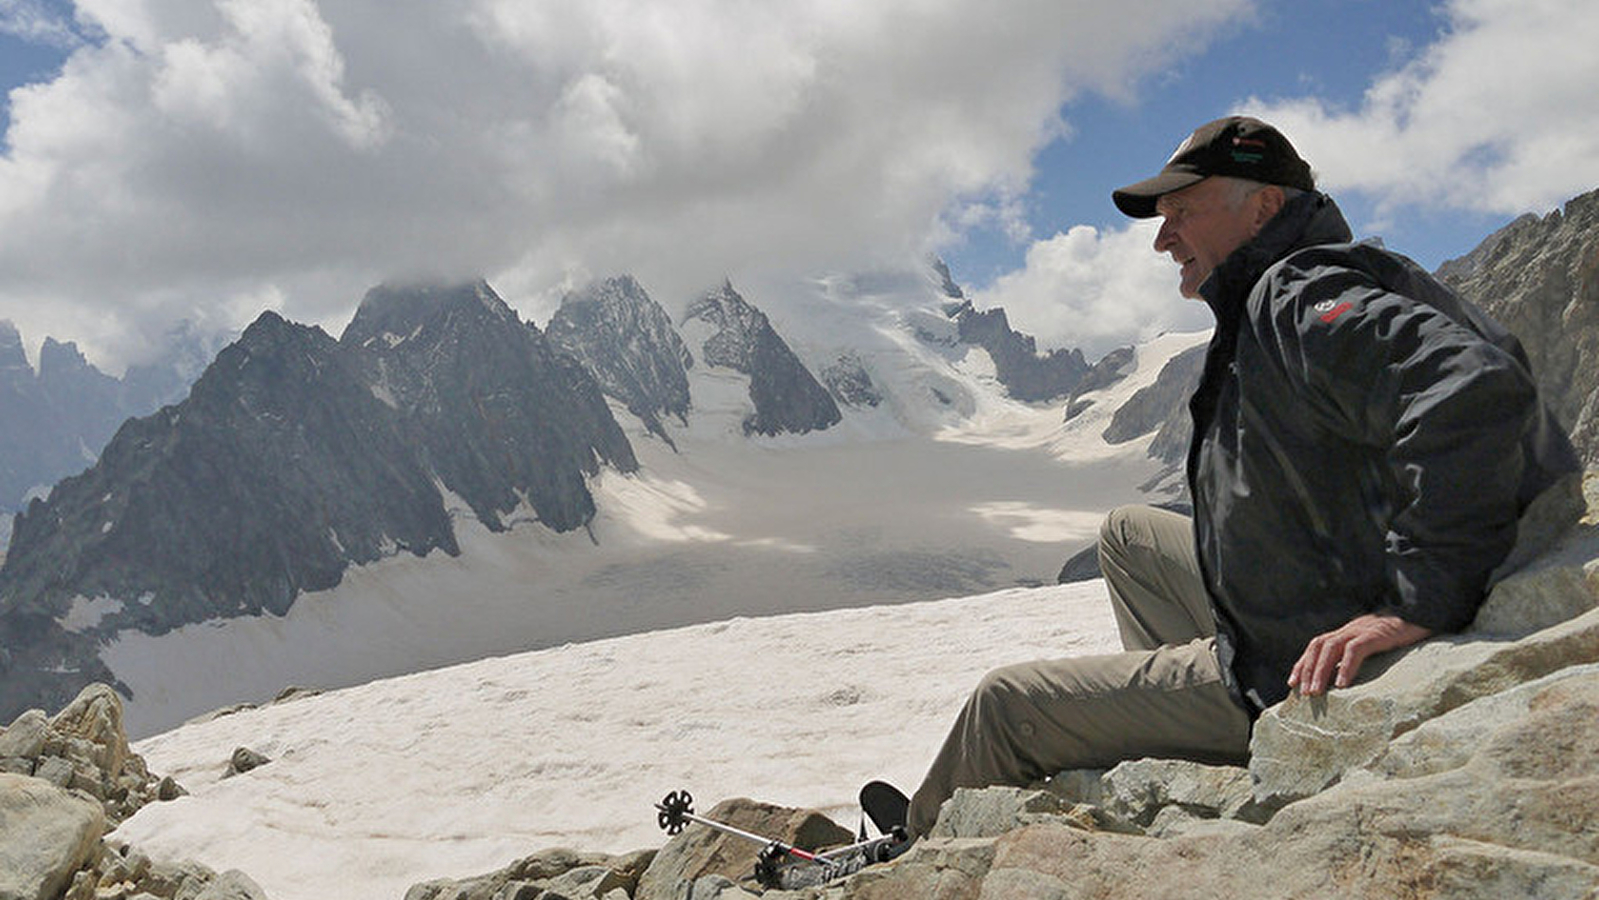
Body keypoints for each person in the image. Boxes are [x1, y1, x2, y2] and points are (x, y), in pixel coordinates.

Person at [900, 115, 1583, 840]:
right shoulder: (1307, 281)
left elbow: (1471, 389)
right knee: (1127, 535)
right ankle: (1176, 733)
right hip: (1310, 593)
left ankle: (909, 847)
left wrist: (1418, 597)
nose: (1162, 240)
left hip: (1308, 655)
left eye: (1182, 212)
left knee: (1004, 704)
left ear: (1262, 207)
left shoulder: (1296, 293)